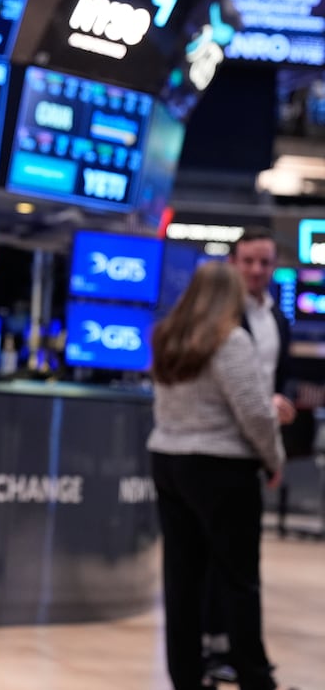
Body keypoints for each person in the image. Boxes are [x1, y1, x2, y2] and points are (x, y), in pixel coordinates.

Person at [149, 260, 287, 690]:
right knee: (238, 580)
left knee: (182, 580)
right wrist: (273, 460)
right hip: (222, 468)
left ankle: (186, 678)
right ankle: (255, 678)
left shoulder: (168, 337)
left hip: (169, 462)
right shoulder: (229, 341)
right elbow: (254, 413)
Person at [203, 227, 299, 682]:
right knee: (217, 558)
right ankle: (218, 649)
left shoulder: (277, 320)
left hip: (255, 446)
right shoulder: (214, 318)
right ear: (233, 263)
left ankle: (234, 651)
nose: (257, 271)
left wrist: (272, 449)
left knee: (240, 560)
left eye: (265, 263)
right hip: (216, 448)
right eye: (249, 262)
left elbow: (274, 384)